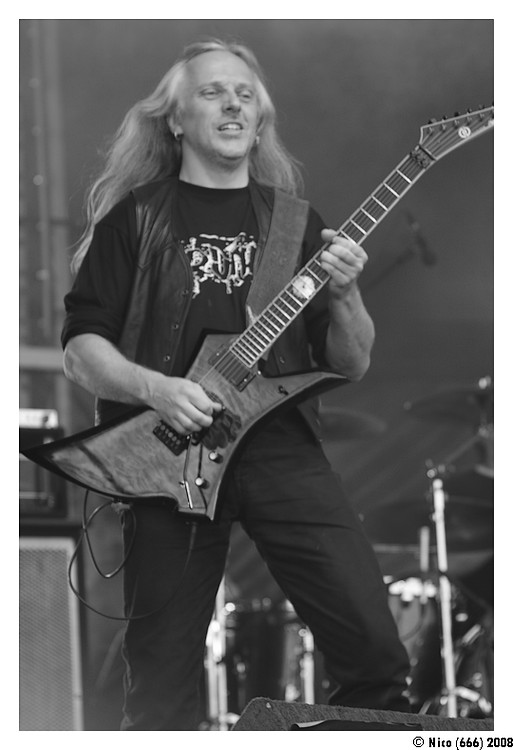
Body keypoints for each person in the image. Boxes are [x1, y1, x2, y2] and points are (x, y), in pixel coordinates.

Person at [61, 38, 411, 730]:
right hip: (171, 453)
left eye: (245, 94)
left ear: (260, 119)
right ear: (175, 119)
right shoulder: (136, 217)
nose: (232, 104)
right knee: (159, 682)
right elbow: (80, 351)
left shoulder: (292, 223)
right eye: (212, 91)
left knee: (375, 650)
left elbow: (351, 362)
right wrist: (157, 389)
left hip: (279, 445)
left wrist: (345, 295)